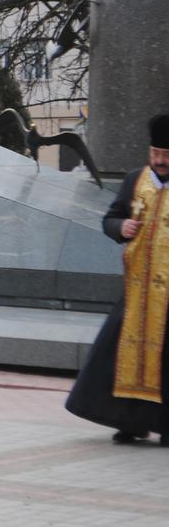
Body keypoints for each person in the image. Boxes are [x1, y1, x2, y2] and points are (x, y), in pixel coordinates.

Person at [66, 113, 169, 446]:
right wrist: (121, 227)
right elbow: (111, 218)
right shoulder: (135, 180)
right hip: (137, 291)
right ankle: (130, 421)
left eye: (166, 156)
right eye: (155, 153)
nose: (159, 161)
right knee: (121, 354)